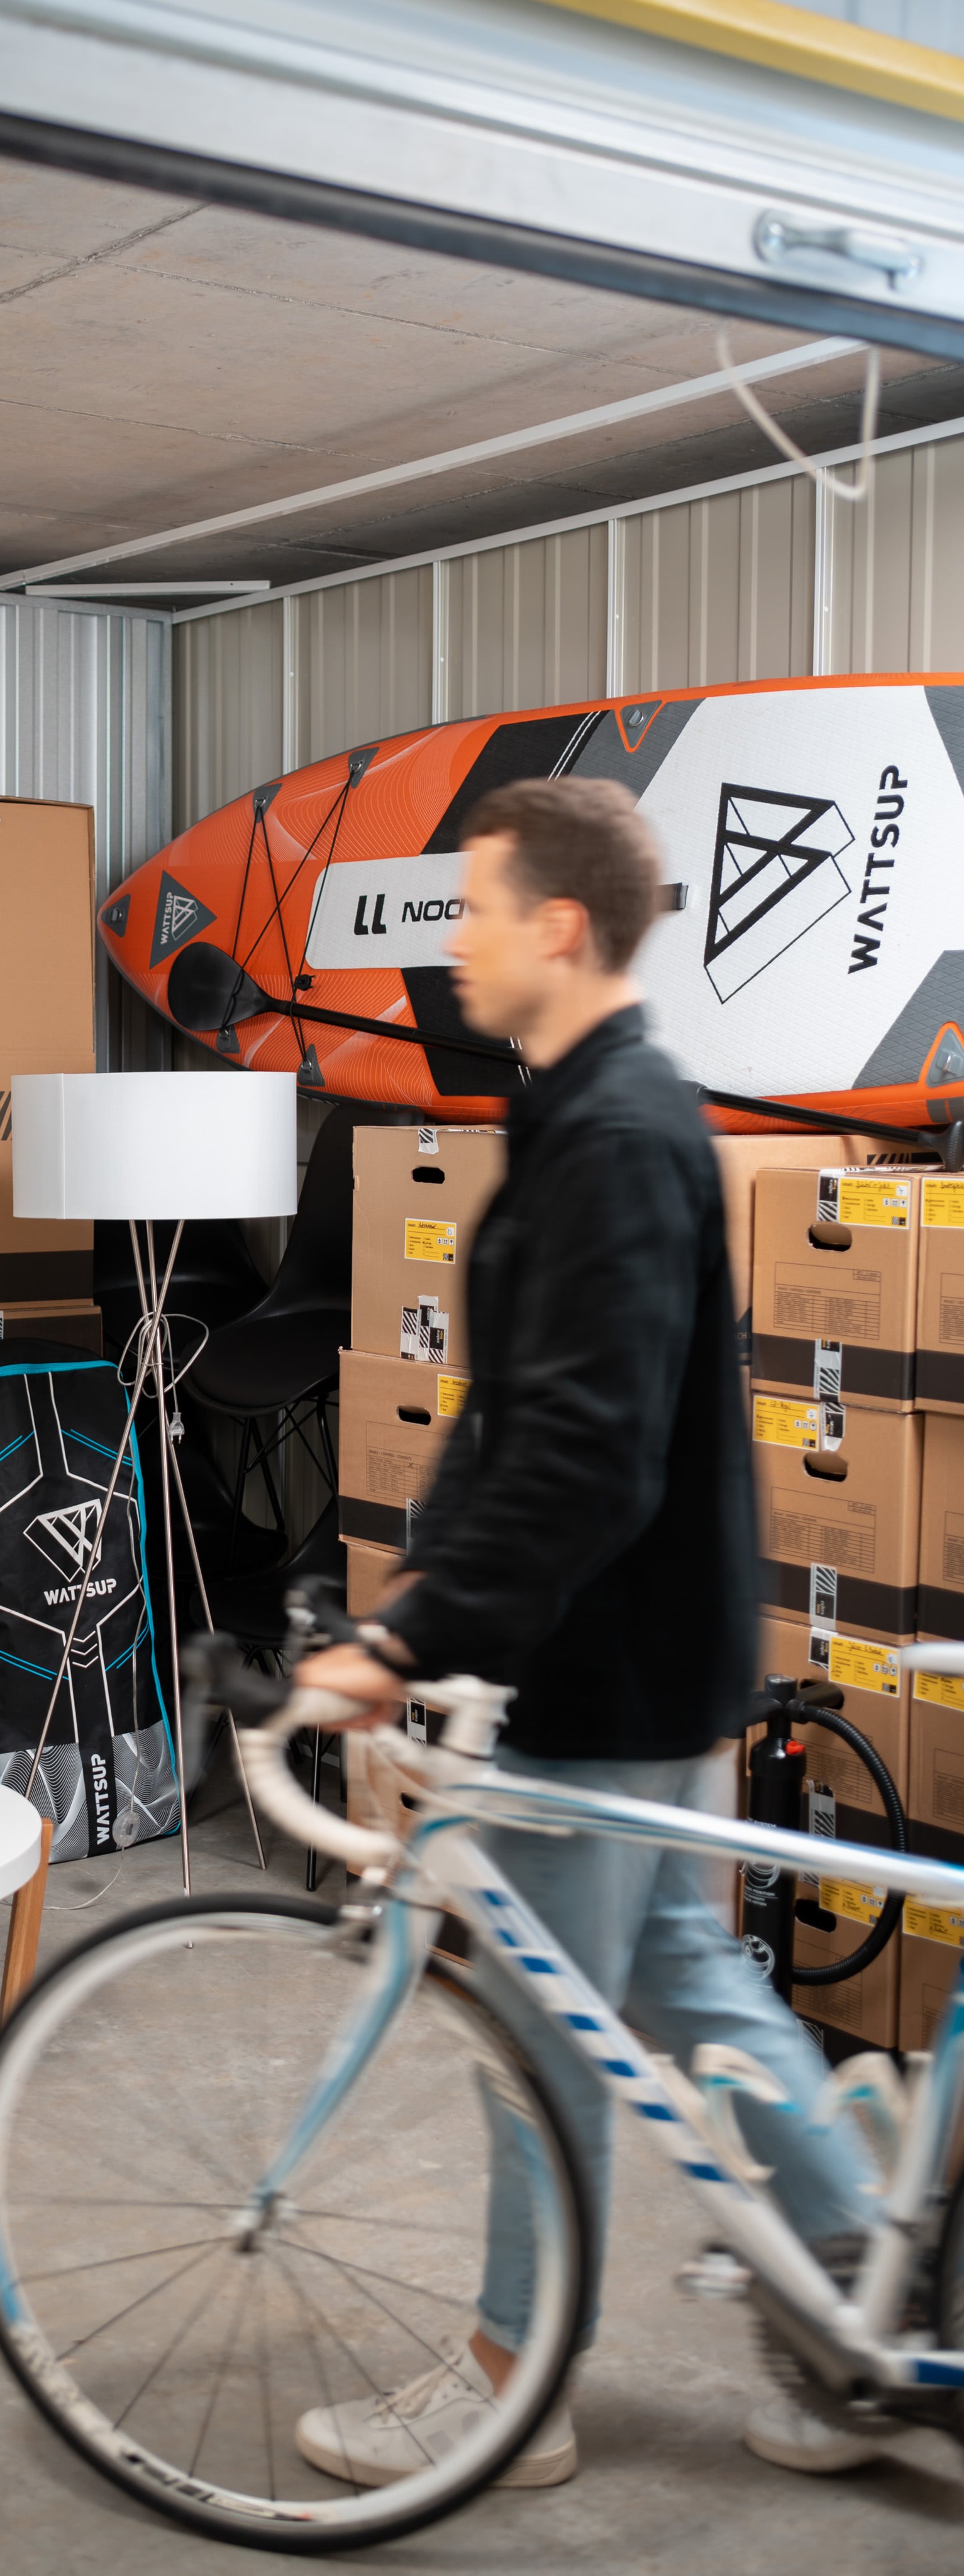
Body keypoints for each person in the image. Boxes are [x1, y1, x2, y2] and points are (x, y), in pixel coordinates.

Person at [291, 778, 880, 2492]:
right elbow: (509, 1414)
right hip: (643, 1655)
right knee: (682, 1983)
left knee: (534, 2035)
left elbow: (580, 1457)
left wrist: (406, 1647)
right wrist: (422, 1605)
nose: (450, 941)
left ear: (558, 923)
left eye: (472, 909)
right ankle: (866, 2333)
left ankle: (503, 2386)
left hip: (609, 1677)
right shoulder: (584, 1114)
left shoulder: (618, 1136)